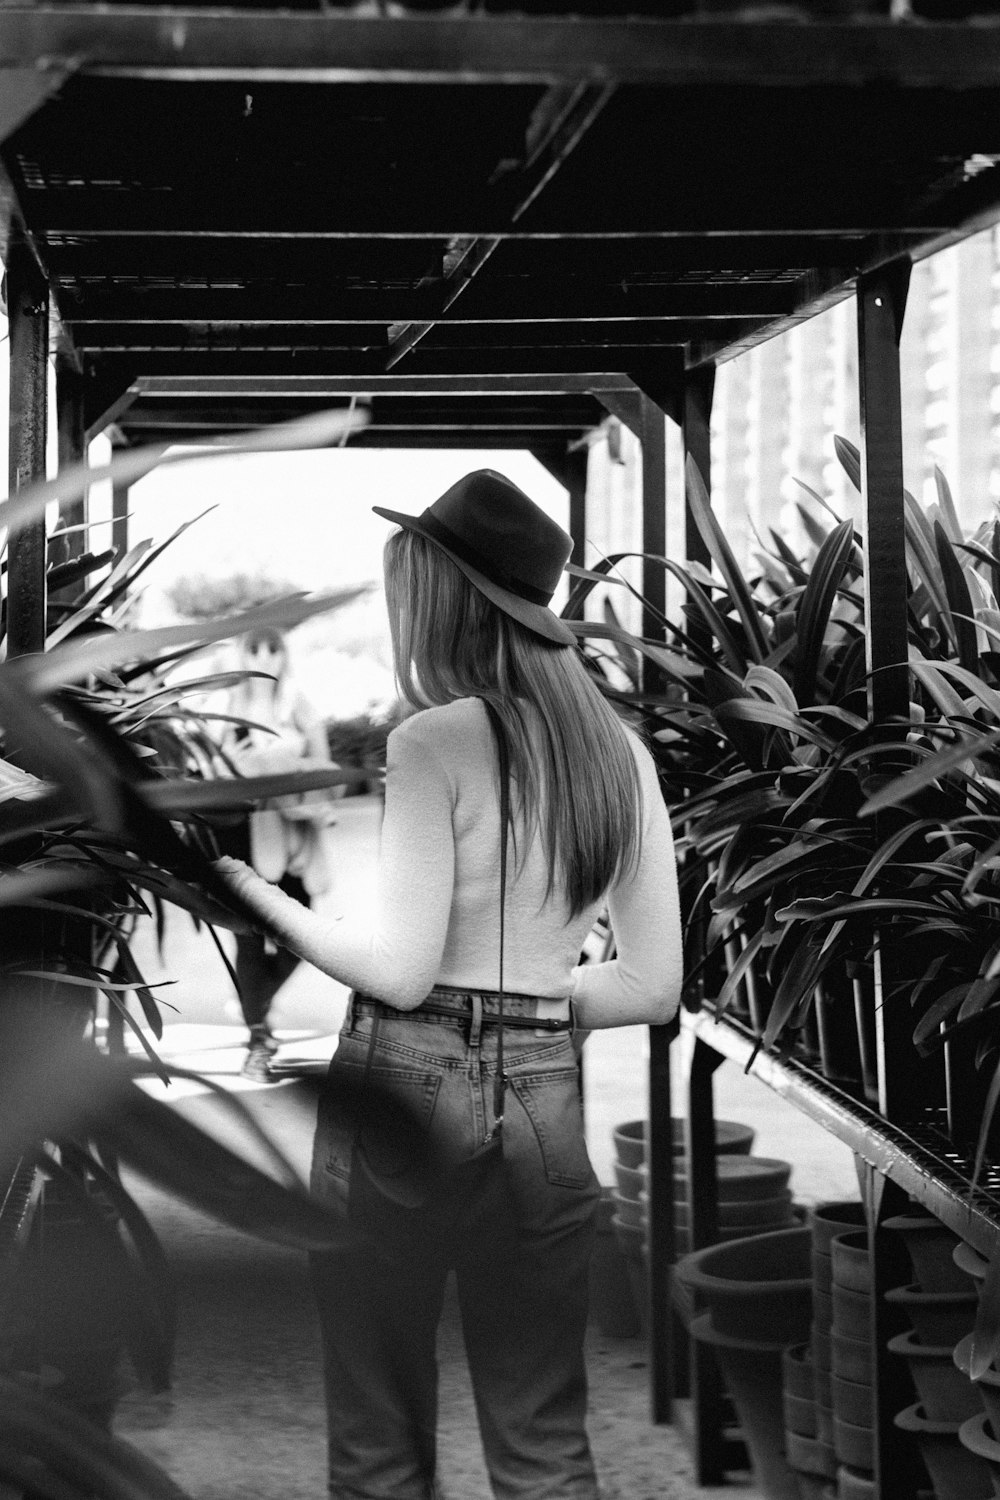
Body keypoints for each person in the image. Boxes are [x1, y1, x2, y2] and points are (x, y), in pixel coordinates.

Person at [215, 469, 682, 1500]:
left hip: (405, 1085)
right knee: (544, 1441)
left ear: (446, 597)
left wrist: (245, 885)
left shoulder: (433, 740)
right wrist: (525, 1016)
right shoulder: (622, 757)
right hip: (544, 1102)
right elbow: (652, 987)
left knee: (380, 1441)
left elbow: (402, 969)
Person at [220, 626, 338, 1080]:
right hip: (243, 837)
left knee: (300, 936)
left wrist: (295, 779)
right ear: (243, 653)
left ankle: (256, 1002)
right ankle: (258, 1041)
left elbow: (326, 772)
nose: (265, 657)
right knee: (247, 939)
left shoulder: (300, 704)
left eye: (273, 648)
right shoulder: (229, 707)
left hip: (293, 839)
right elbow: (219, 773)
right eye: (255, 648)